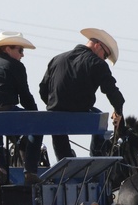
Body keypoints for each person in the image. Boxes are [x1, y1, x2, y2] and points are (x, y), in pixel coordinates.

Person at [38, 28, 125, 160]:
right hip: (80, 112)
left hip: (55, 112)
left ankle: (64, 159)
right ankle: (96, 156)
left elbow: (43, 89)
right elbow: (111, 90)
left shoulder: (57, 59)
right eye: (105, 55)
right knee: (101, 118)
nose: (104, 59)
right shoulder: (97, 63)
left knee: (57, 128)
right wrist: (118, 110)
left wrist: (55, 104)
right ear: (97, 45)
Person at [0, 31, 44, 185]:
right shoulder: (16, 66)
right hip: (7, 112)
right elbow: (25, 96)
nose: (22, 55)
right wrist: (36, 115)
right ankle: (30, 172)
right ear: (7, 49)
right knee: (38, 127)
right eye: (20, 50)